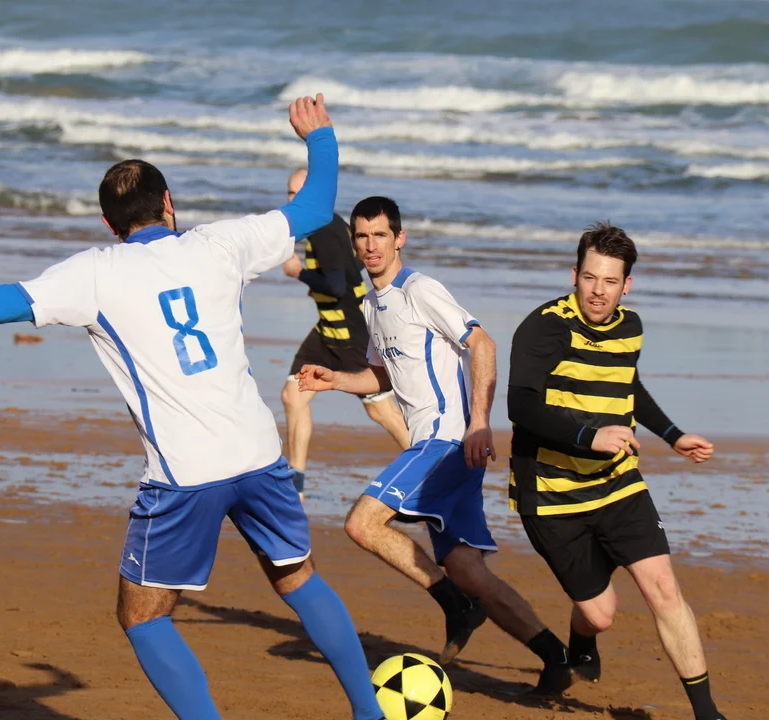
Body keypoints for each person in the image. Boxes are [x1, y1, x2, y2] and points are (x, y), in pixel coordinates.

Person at [0, 95, 386, 720]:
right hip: (260, 454)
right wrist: (320, 136)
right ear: (169, 203)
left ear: (108, 223)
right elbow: (313, 209)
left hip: (184, 474)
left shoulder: (94, 274)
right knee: (298, 579)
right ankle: (369, 714)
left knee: (143, 616)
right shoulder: (221, 243)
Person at [297, 196, 574, 694]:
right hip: (441, 447)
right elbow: (383, 375)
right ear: (353, 243)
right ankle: (554, 656)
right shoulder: (372, 304)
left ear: (399, 239)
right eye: (362, 236)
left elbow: (482, 343)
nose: (371, 245)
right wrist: (334, 380)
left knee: (362, 523)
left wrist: (480, 424)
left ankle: (455, 605)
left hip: (448, 442)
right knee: (467, 569)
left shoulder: (420, 290)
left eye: (380, 235)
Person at [506, 221, 726, 720]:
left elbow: (628, 385)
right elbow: (521, 405)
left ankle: (708, 713)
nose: (598, 291)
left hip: (617, 482)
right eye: (589, 278)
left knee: (664, 588)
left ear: (627, 285)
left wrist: (672, 435)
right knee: (600, 614)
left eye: (610, 281)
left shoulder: (631, 327)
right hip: (553, 493)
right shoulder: (545, 327)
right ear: (574, 275)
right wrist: (590, 436)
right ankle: (579, 644)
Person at [280, 168, 409, 498]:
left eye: (297, 194)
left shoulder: (325, 231)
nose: (291, 201)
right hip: (327, 329)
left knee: (381, 410)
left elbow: (337, 286)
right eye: (289, 193)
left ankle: (431, 469)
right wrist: (319, 286)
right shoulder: (323, 226)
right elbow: (348, 271)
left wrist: (299, 273)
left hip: (351, 333)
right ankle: (296, 485)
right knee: (294, 395)